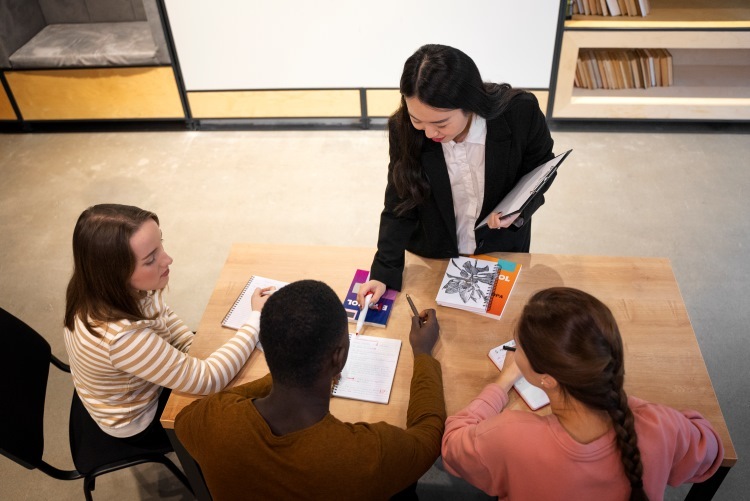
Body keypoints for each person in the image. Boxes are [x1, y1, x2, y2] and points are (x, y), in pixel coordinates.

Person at [441, 287, 724, 500]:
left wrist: (500, 384)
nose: (515, 352)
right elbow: (709, 449)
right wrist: (627, 402)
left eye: (519, 347)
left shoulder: (508, 436)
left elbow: (453, 446)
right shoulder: (661, 425)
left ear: (547, 379)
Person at [174, 279, 446, 500]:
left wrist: (287, 371)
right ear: (337, 357)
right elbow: (429, 435)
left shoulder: (213, 421)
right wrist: (423, 354)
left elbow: (186, 419)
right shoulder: (366, 455)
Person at [358, 44, 555, 306]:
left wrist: (521, 209)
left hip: (501, 248)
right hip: (436, 253)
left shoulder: (520, 113)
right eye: (418, 120)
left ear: (470, 104)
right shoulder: (403, 128)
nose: (428, 133)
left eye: (440, 123)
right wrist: (384, 272)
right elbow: (399, 202)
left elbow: (542, 168)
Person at [63, 204, 270, 448]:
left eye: (160, 244)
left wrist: (193, 347)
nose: (167, 259)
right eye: (151, 259)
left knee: (230, 353)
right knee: (252, 412)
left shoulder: (99, 288)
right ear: (114, 273)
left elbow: (160, 314)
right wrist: (255, 318)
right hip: (140, 421)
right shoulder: (122, 338)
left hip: (129, 384)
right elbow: (209, 380)